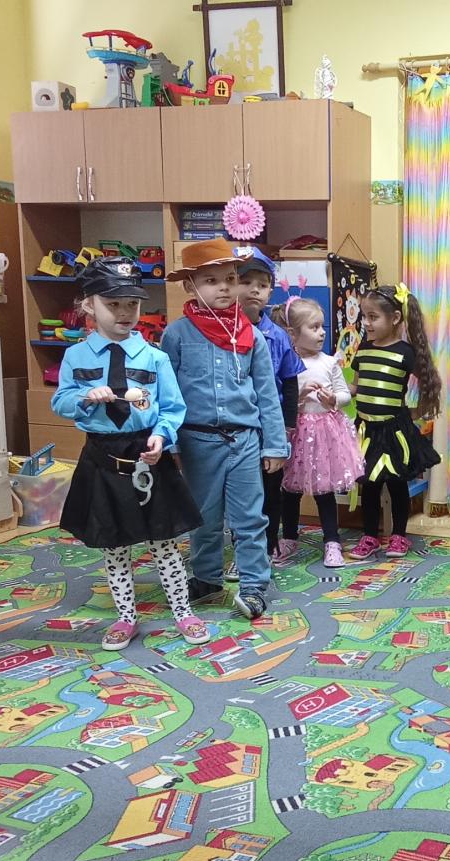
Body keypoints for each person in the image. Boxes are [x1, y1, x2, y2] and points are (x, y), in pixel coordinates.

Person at [51, 257, 206, 649]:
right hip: (102, 458)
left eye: (132, 304)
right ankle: (125, 617)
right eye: (113, 304)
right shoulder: (76, 357)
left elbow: (172, 408)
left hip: (147, 455)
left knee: (164, 543)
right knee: (114, 546)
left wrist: (162, 437)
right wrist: (86, 397)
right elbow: (61, 402)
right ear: (89, 305)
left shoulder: (154, 357)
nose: (124, 312)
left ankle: (183, 612)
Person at [160, 239, 289, 621]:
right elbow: (167, 394)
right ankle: (206, 578)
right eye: (211, 280)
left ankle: (254, 586)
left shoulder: (252, 336)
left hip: (244, 440)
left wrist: (274, 445)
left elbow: (267, 394)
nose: (224, 288)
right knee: (203, 516)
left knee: (250, 518)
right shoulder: (176, 335)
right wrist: (170, 444)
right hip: (197, 441)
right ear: (190, 286)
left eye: (230, 279)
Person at [347, 283, 443, 562]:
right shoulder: (364, 349)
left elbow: (429, 384)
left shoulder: (405, 352)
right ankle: (369, 536)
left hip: (394, 430)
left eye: (373, 317)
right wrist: (334, 394)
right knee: (369, 485)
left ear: (395, 318)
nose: (366, 323)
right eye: (364, 316)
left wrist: (415, 412)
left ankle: (399, 534)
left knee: (396, 483)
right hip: (366, 429)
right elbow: (356, 387)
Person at [280, 297, 364, 568]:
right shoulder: (287, 363)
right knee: (289, 490)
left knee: (324, 490)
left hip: (325, 434)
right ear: (293, 333)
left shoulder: (329, 362)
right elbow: (279, 398)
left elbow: (345, 394)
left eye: (322, 327)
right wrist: (299, 397)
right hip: (296, 433)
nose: (322, 333)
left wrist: (333, 399)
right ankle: (289, 537)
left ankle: (332, 541)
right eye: (314, 327)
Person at [236, 250, 305, 566]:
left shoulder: (277, 335)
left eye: (262, 285)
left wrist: (288, 426)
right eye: (245, 282)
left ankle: (269, 543)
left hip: (270, 427)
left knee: (270, 488)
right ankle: (243, 548)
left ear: (270, 292)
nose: (254, 290)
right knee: (242, 492)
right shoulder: (223, 333)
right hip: (237, 426)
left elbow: (290, 382)